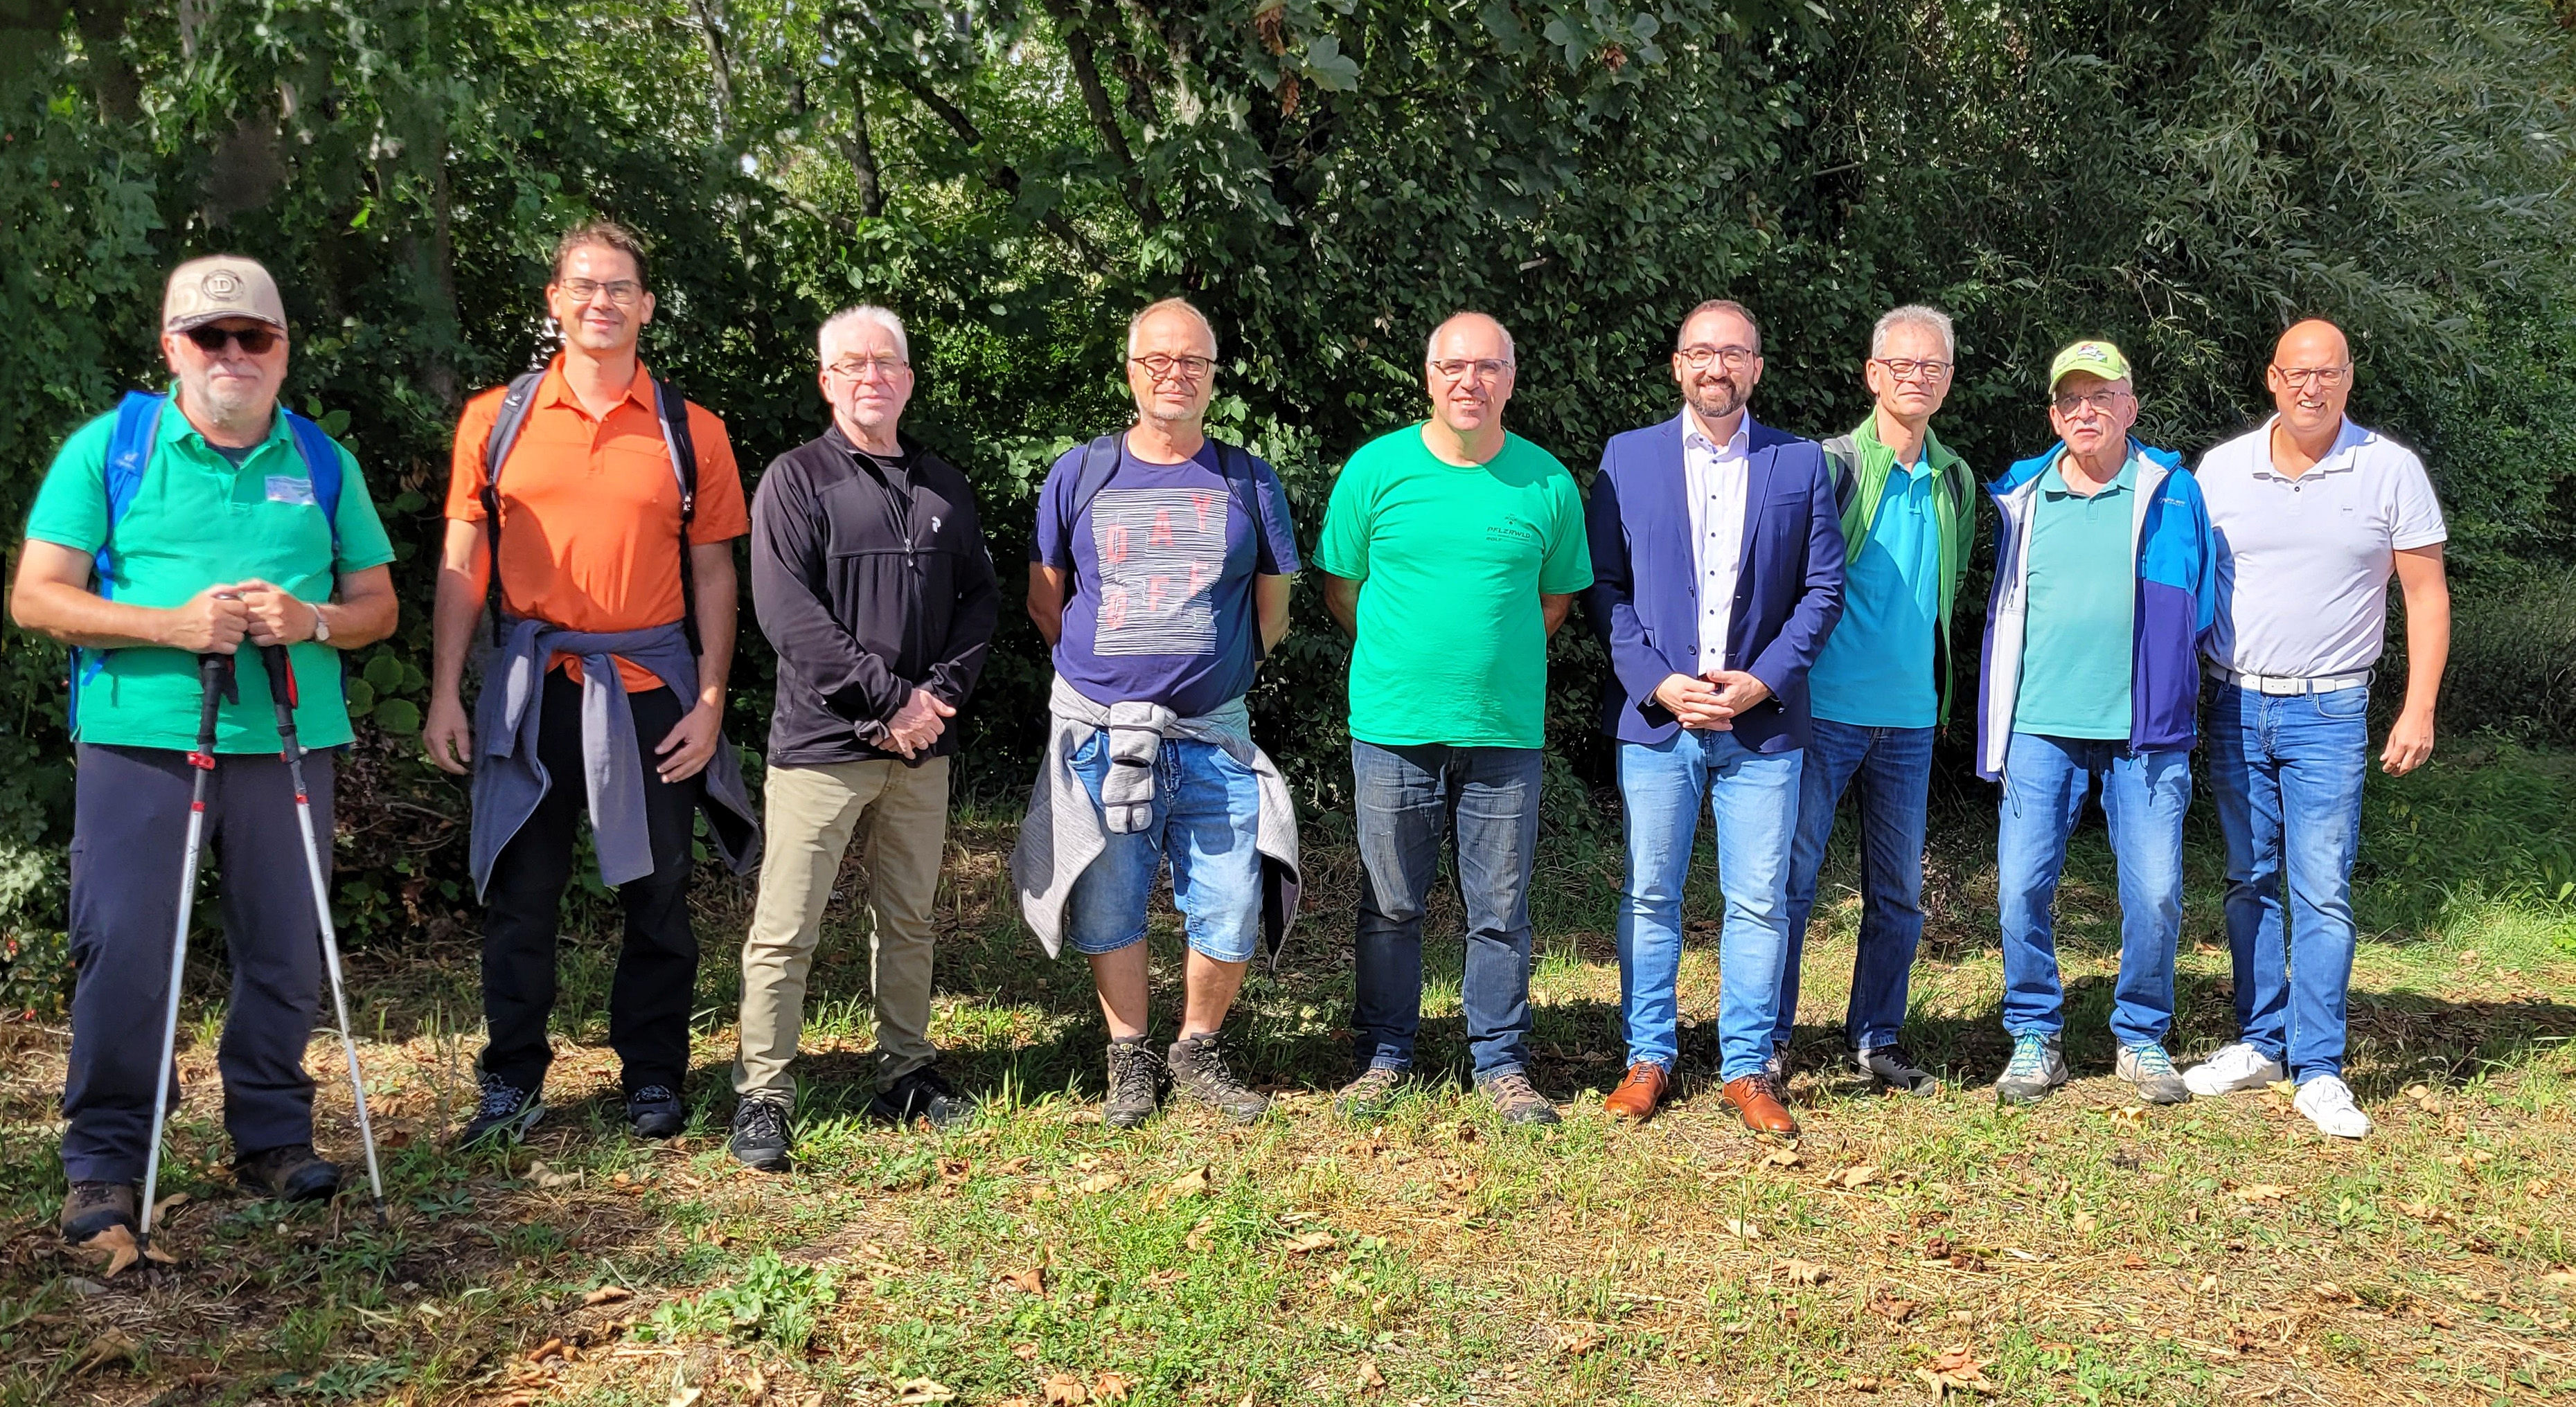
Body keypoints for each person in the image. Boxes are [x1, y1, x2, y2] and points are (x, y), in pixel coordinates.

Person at [14, 255, 400, 1241]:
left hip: (285, 742)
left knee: (283, 947)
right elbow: (37, 596)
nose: (232, 353)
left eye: (253, 337)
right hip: (140, 744)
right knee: (126, 953)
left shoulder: (319, 461)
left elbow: (377, 608)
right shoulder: (112, 451)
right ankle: (105, 1160)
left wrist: (310, 618)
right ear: (170, 347)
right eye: (208, 335)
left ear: (282, 352)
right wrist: (167, 627)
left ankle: (272, 1139)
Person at [424, 220, 761, 1146]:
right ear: (554, 302)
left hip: (651, 687)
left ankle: (654, 1076)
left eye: (619, 287)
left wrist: (709, 700)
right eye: (583, 285)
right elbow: (462, 560)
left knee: (656, 895)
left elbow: (715, 575)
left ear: (647, 307)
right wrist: (448, 688)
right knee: (519, 896)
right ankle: (512, 1082)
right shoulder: (496, 419)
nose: (601, 301)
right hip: (532, 690)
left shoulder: (689, 430)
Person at [1013, 298, 1302, 1129]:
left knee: (1231, 893)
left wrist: (1215, 678)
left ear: (1214, 378)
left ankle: (1197, 1047)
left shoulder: (1248, 477)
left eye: (1193, 363)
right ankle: (1128, 1055)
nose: (1175, 375)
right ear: (1130, 370)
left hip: (1213, 734)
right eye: (1157, 360)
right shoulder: (1081, 472)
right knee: (1109, 896)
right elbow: (1046, 600)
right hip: (1101, 733)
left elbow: (1271, 610)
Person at [727, 305, 1000, 1170]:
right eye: (851, 364)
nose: (870, 376)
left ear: (909, 378)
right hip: (822, 744)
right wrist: (886, 701)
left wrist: (935, 701)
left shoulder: (943, 485)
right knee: (786, 927)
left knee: (910, 918)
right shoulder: (795, 480)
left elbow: (980, 603)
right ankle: (764, 1095)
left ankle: (907, 1072)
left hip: (922, 748)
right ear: (826, 381)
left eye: (886, 361)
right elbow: (785, 614)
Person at [1316, 312, 1591, 1127]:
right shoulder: (1375, 471)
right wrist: (1412, 658)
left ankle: (1501, 1062)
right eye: (1453, 367)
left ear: (1510, 378)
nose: (1469, 381)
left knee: (1499, 907)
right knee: (1390, 902)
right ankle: (1383, 1054)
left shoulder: (1546, 482)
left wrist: (1482, 656)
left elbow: (1553, 600)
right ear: (1428, 376)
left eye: (1487, 367)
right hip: (1393, 726)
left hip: (1504, 730)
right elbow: (1342, 590)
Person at [2180, 319, 2449, 1139]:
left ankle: (2319, 1066)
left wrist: (2419, 705)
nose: (2310, 387)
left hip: (2329, 708)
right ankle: (2260, 1041)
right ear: (2270, 377)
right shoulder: (2222, 468)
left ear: (2347, 377)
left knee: (2320, 889)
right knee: (2245, 878)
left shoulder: (2389, 470)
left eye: (2325, 373)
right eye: (2296, 373)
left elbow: (2425, 596)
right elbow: (2184, 586)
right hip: (2232, 702)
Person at [1583, 299, 1845, 1133]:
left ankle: (1746, 1068)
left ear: (1756, 368)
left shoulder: (1798, 463)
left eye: (1732, 353)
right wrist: (1655, 682)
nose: (1715, 368)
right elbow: (1604, 587)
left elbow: (1821, 590)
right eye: (1700, 353)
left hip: (1759, 729)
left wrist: (1760, 682)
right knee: (1649, 894)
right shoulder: (1626, 459)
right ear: (1676, 366)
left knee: (1759, 900)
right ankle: (1648, 1057)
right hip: (1659, 722)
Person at [1977, 339, 2214, 1106]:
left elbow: (2203, 598)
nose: (2087, 410)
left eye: (2103, 395)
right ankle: (2034, 1034)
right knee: (2019, 887)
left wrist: (2170, 677)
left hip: (2143, 731)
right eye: (2071, 398)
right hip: (2038, 724)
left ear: (2130, 408)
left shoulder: (2170, 491)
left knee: (2152, 893)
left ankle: (2140, 1035)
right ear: (2052, 413)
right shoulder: (2020, 494)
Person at [1773, 306, 1977, 1096]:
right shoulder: (1826, 467)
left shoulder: (1953, 479)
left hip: (1911, 718)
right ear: (1870, 374)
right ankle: (1771, 1039)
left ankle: (1877, 1040)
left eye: (1931, 367)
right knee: (1790, 883)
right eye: (1901, 365)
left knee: (1897, 893)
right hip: (1820, 710)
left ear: (1948, 380)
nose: (1915, 377)